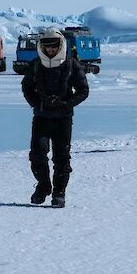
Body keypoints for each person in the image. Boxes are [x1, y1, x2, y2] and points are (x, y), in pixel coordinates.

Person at [22, 28, 89, 208]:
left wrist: (67, 104)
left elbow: (83, 90)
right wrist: (38, 104)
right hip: (42, 116)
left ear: (61, 46)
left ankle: (59, 193)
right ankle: (44, 186)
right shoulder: (36, 64)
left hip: (63, 118)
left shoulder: (71, 64)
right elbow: (26, 87)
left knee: (61, 157)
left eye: (54, 47)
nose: (50, 50)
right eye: (47, 47)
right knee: (37, 154)